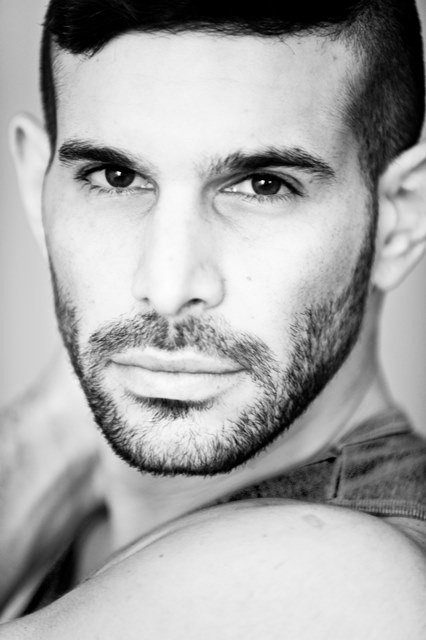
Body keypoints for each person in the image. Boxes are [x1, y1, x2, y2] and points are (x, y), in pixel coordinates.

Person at [1, 0, 426, 637]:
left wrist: (51, 438)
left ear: (399, 220)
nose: (168, 289)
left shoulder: (334, 581)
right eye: (116, 177)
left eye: (263, 186)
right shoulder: (95, 521)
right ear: (37, 188)